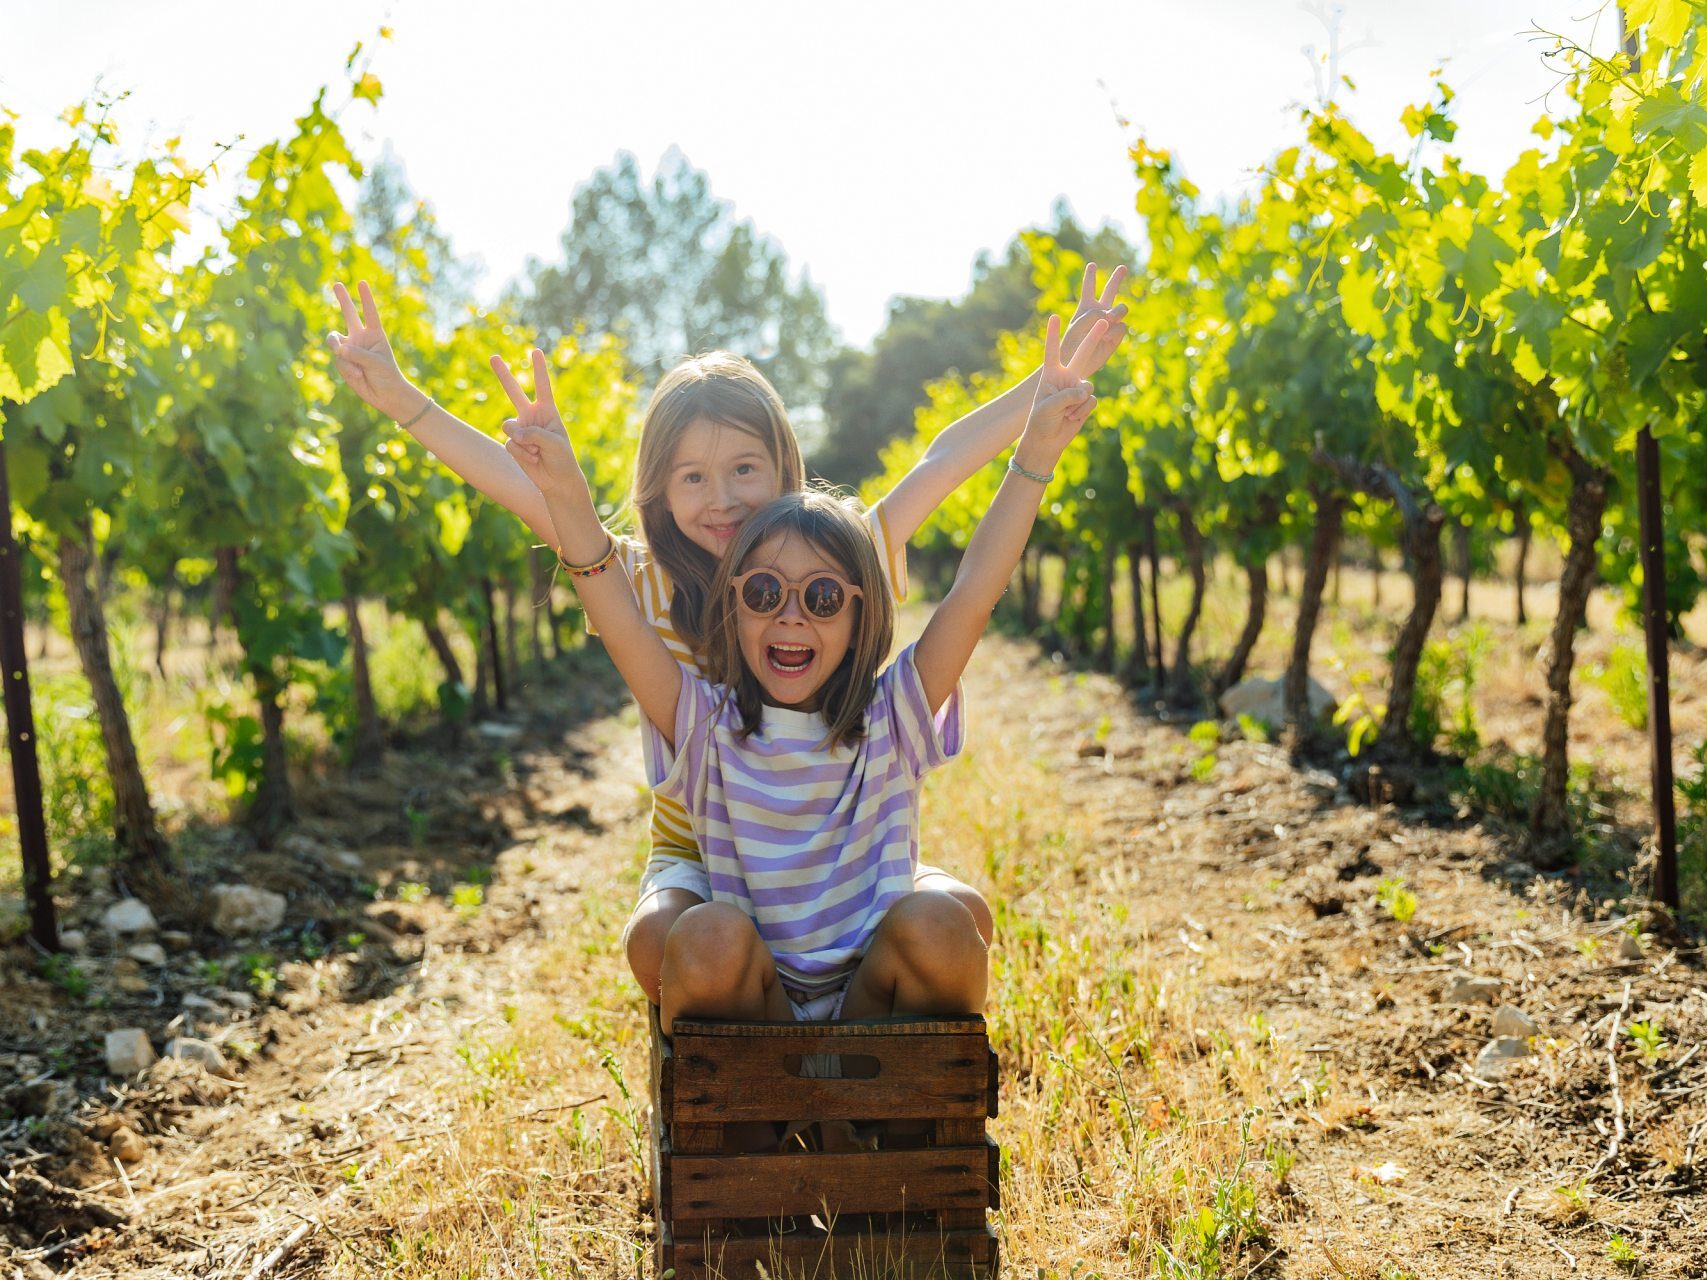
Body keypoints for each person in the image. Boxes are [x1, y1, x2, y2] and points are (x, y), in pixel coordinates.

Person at [327, 268, 1127, 1003]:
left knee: (960, 918)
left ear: (785, 469)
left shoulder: (840, 554)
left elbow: (942, 464)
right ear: (661, 491)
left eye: (744, 470)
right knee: (663, 942)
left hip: (833, 849)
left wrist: (1043, 394)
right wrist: (403, 400)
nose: (722, 499)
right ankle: (754, 1054)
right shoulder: (639, 582)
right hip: (704, 855)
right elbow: (533, 495)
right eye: (692, 478)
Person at [488, 311, 1107, 1041]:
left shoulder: (894, 714)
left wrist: (1033, 451)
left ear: (863, 605)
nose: (789, 616)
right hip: (750, 979)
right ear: (731, 609)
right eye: (760, 595)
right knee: (701, 935)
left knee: (948, 921)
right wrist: (563, 491)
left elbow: (973, 586)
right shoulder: (702, 722)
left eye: (818, 597)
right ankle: (786, 1110)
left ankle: (859, 1129)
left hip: (868, 980)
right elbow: (605, 594)